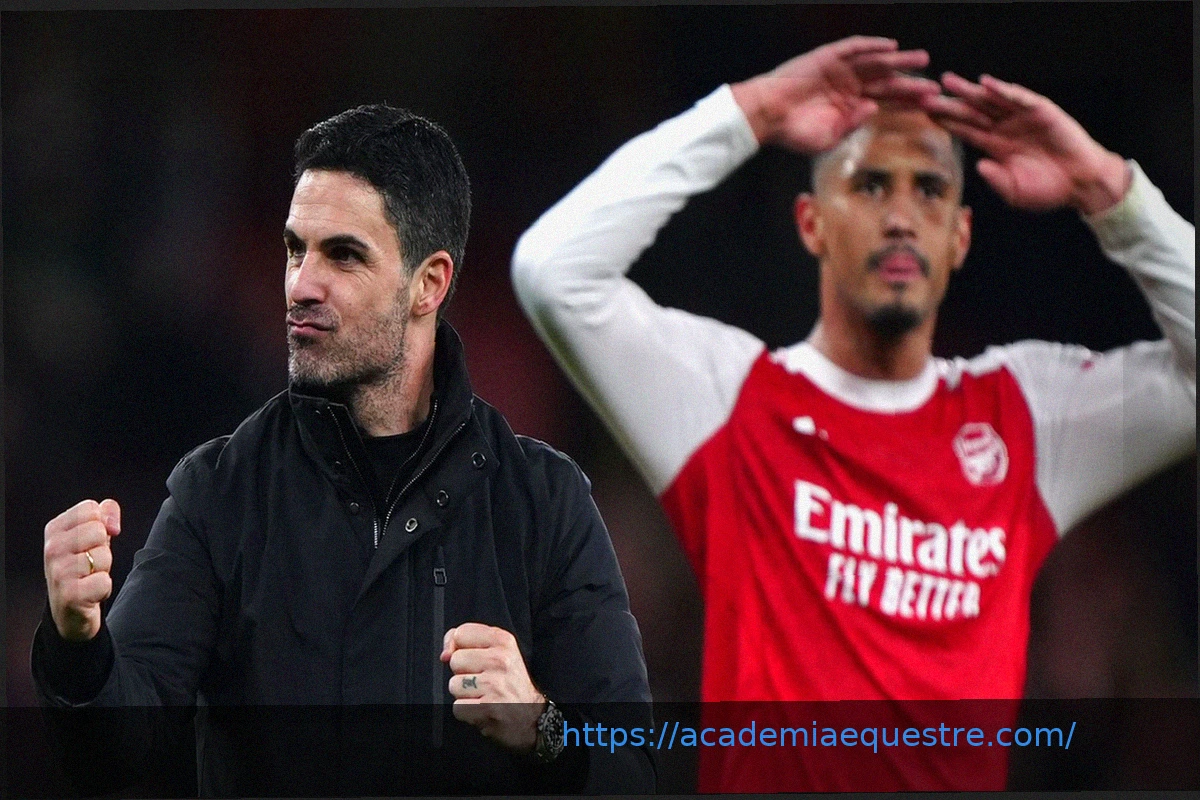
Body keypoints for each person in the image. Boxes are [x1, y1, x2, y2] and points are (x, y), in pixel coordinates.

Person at [511, 37, 1194, 790]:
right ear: (811, 223)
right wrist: (752, 111)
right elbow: (553, 271)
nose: (901, 216)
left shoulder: (1026, 417)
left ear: (960, 236)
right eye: (870, 185)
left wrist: (1109, 189)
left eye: (929, 190)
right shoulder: (729, 403)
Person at [33, 104, 654, 796]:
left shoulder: (544, 501)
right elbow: (119, 754)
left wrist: (543, 729)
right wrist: (78, 646)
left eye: (344, 255)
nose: (301, 285)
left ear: (429, 283)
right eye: (295, 249)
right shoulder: (221, 491)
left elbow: (631, 766)